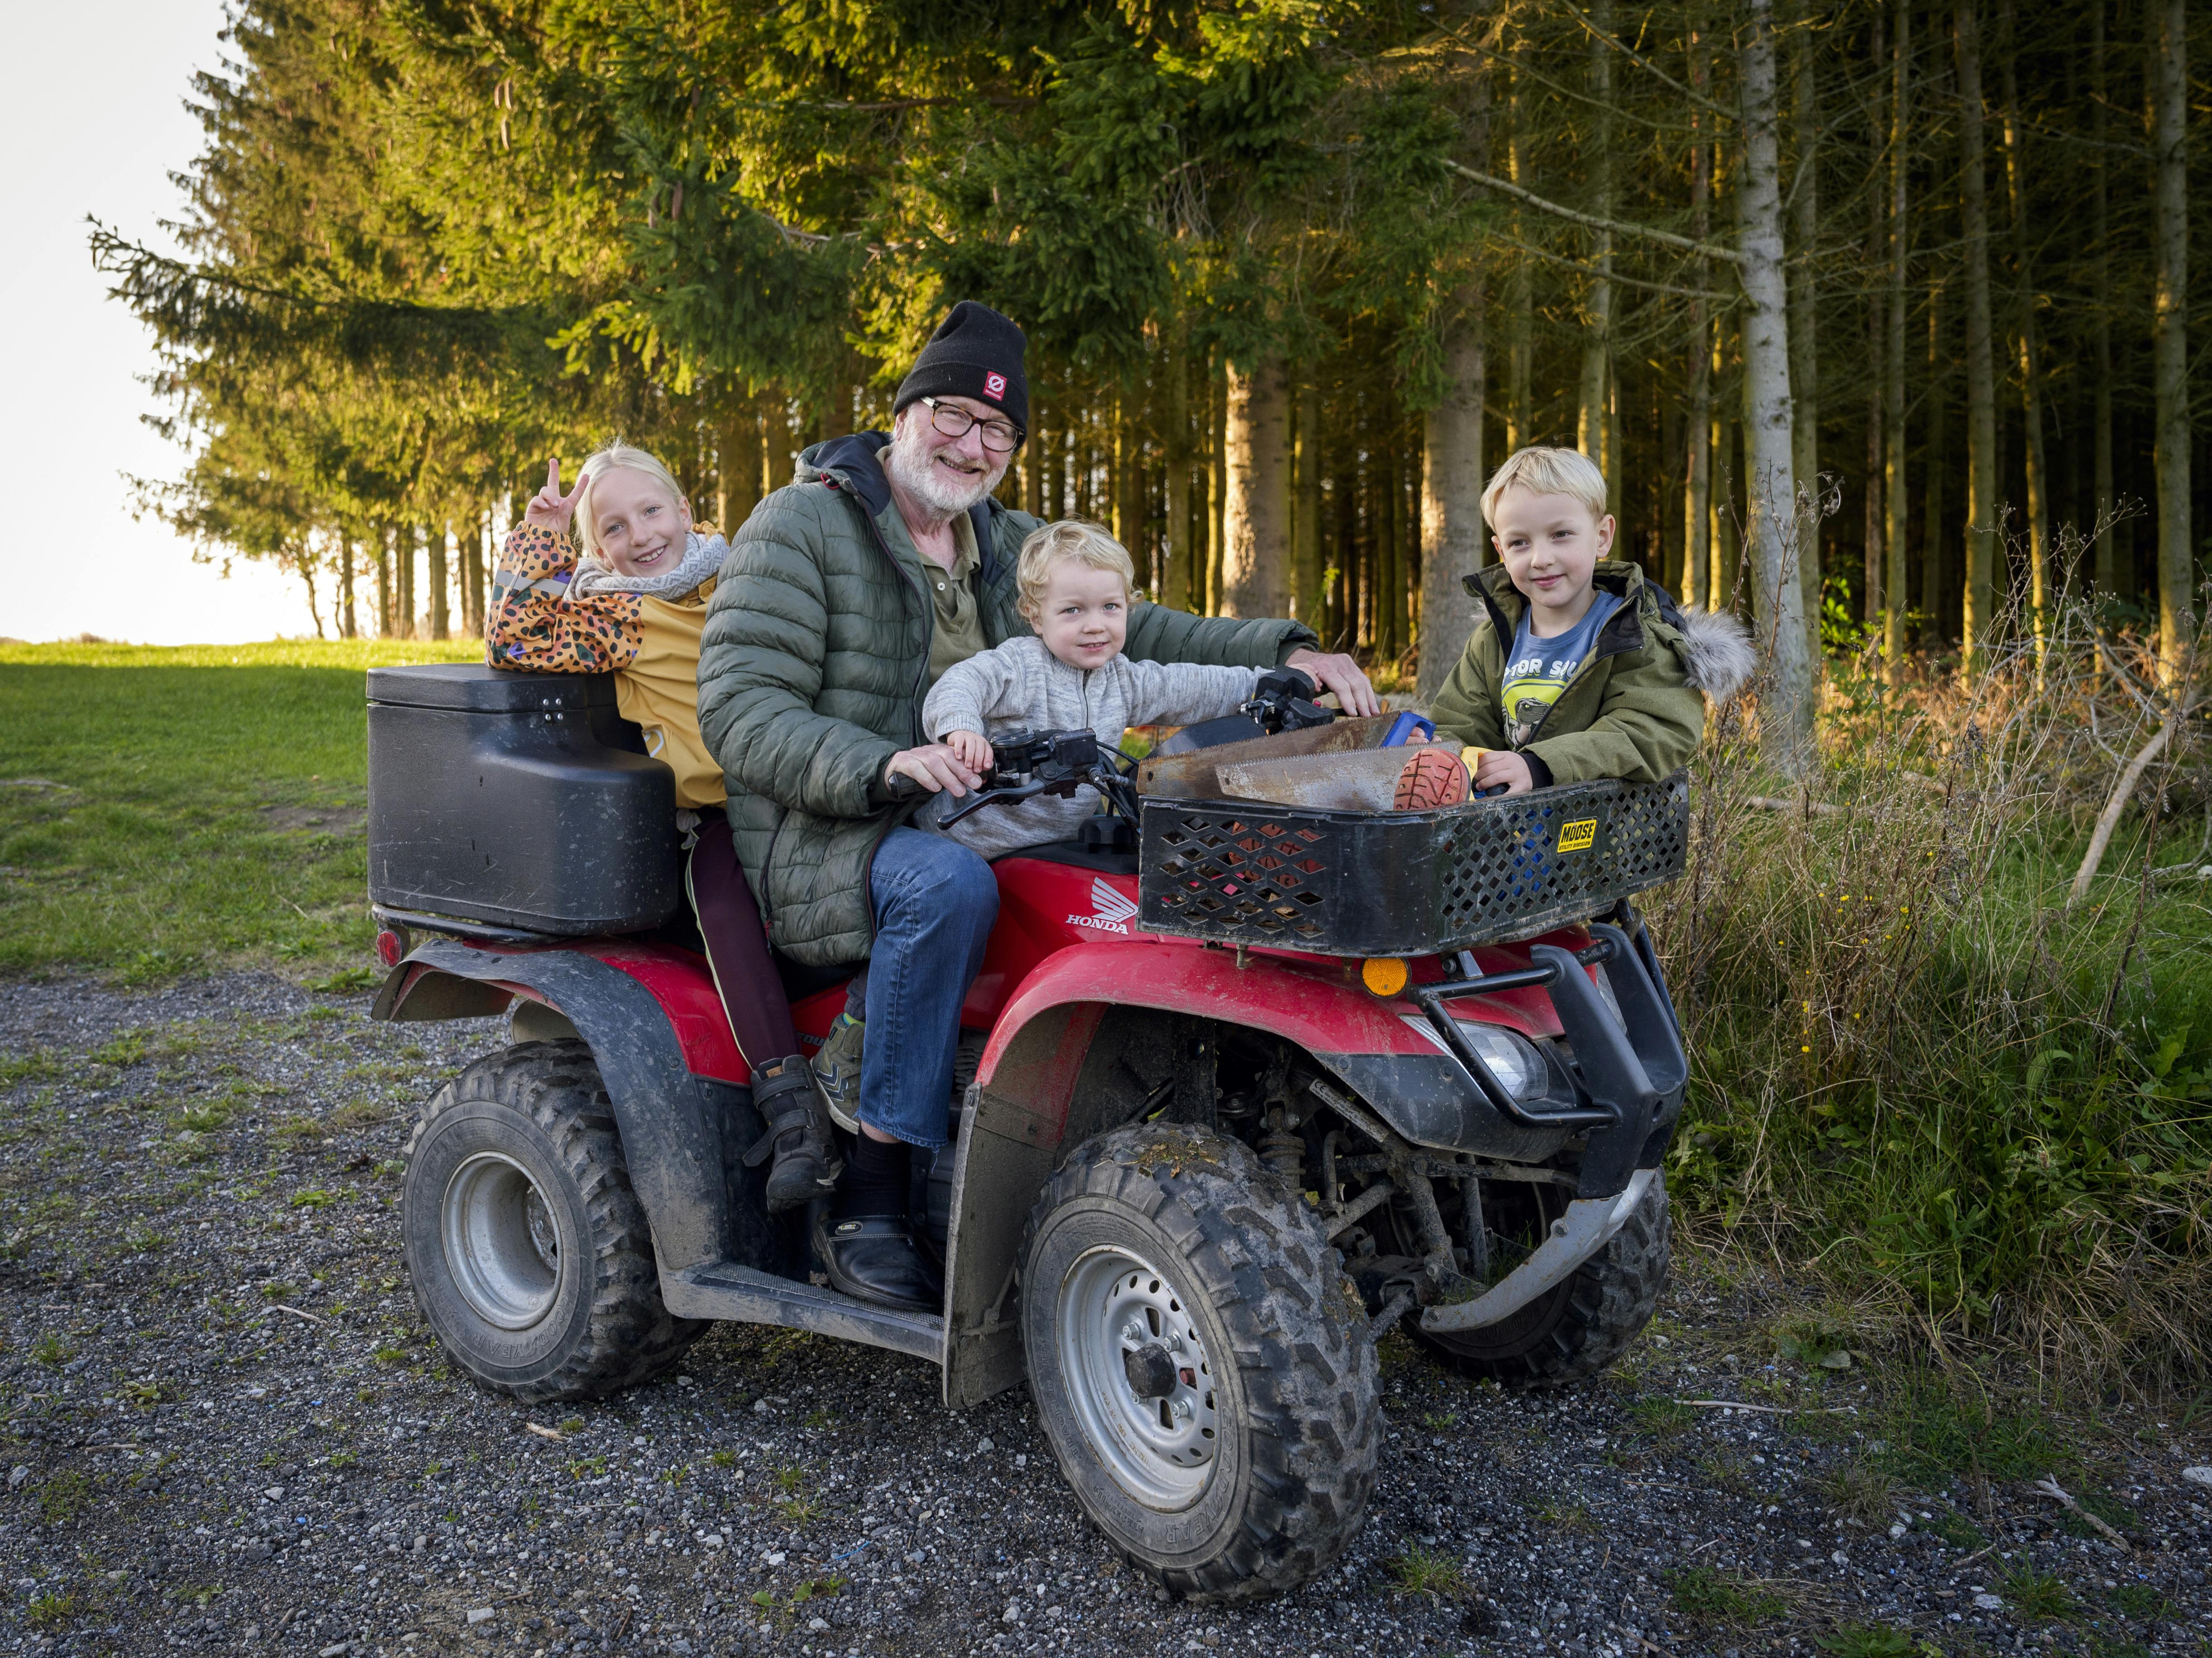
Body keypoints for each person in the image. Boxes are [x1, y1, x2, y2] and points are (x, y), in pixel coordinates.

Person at [696, 300, 1377, 1311]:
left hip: (1003, 808)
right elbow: (740, 707)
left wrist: (1285, 652)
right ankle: (870, 1196)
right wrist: (890, 764)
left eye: (998, 432)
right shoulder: (800, 524)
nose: (971, 446)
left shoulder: (1006, 544)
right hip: (837, 828)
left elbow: (1136, 626)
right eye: (954, 416)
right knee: (949, 888)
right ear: (906, 411)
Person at [485, 442, 842, 1216]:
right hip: (717, 811)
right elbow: (513, 639)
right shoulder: (616, 615)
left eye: (651, 511)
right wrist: (542, 534)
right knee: (723, 904)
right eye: (614, 527)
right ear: (596, 548)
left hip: (804, 784)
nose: (641, 535)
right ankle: (789, 1109)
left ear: (686, 511)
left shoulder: (745, 574)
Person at [918, 519, 1266, 858]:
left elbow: (1189, 687)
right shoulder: (1020, 665)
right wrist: (961, 727)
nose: (1095, 626)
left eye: (1110, 607)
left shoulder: (1122, 679)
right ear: (1036, 616)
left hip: (1060, 848)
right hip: (970, 844)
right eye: (1073, 610)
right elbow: (962, 682)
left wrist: (1261, 683)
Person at [1427, 446, 1752, 793]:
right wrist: (1439, 751)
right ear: (1500, 552)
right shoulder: (1492, 640)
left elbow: (1650, 730)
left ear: (1601, 537)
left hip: (1605, 835)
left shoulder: (1632, 633)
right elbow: (1460, 721)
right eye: (1520, 542)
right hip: (1511, 838)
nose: (1540, 558)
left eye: (1560, 535)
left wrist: (1540, 765)